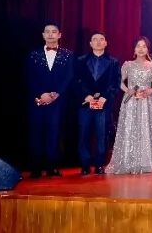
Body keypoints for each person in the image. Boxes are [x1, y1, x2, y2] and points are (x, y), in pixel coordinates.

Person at [106, 37, 152, 174]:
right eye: (138, 46)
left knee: (146, 128)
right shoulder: (127, 64)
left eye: (144, 46)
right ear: (134, 49)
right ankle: (127, 161)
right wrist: (128, 90)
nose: (141, 49)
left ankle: (146, 161)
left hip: (147, 100)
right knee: (129, 128)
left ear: (148, 49)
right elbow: (119, 81)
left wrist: (150, 90)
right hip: (130, 100)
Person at [26, 22, 75, 178]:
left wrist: (55, 94)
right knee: (36, 133)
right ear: (43, 35)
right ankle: (36, 168)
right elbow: (29, 76)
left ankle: (52, 167)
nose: (50, 34)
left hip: (58, 101)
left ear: (59, 35)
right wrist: (41, 94)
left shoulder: (68, 55)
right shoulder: (33, 54)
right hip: (38, 99)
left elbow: (69, 77)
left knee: (55, 133)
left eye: (54, 31)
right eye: (47, 31)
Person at [75, 32, 121, 175]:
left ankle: (100, 164)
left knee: (102, 134)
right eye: (95, 39)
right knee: (84, 134)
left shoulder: (113, 62)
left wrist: (105, 97)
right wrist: (86, 95)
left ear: (106, 43)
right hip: (85, 103)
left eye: (101, 39)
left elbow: (116, 83)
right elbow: (76, 81)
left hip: (103, 104)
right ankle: (85, 165)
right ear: (90, 43)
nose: (98, 42)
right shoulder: (80, 60)